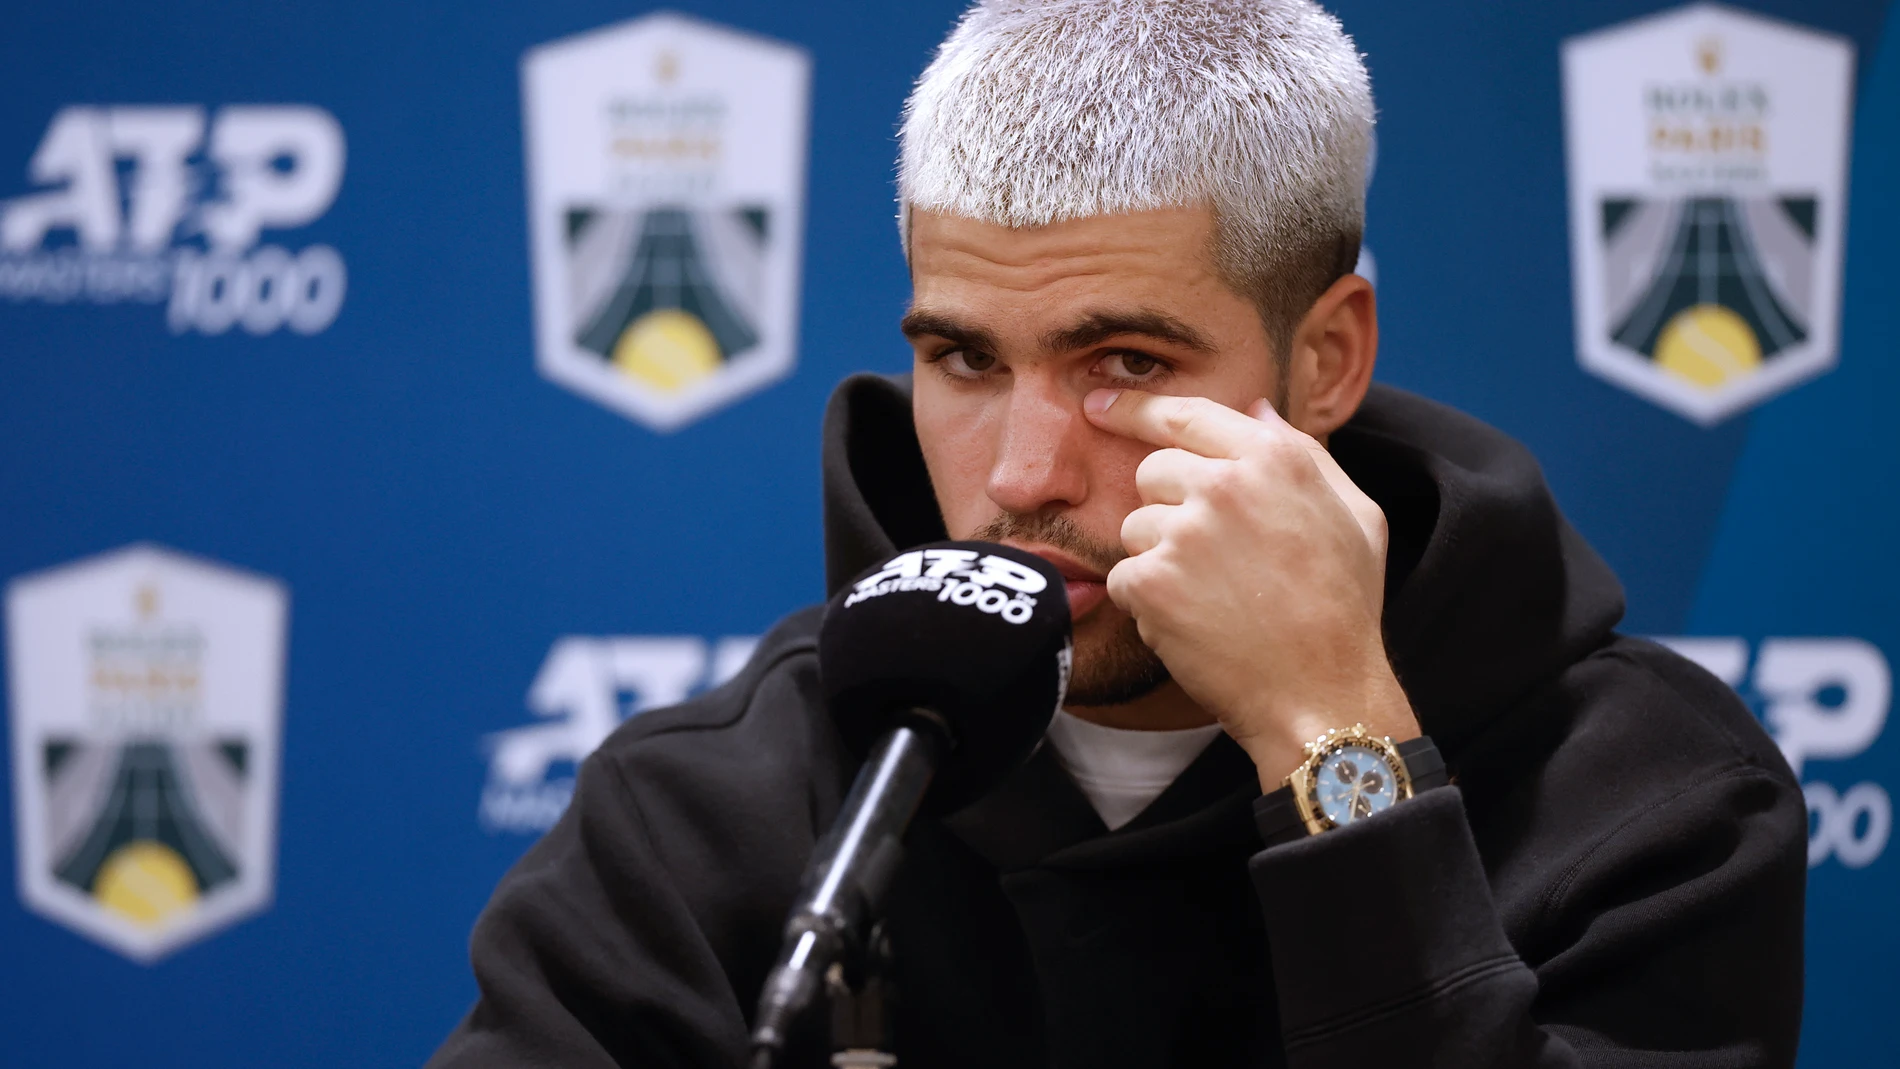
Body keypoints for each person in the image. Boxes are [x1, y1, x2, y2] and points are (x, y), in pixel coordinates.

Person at [428, 1, 1806, 1065]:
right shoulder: (717, 810)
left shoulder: (1649, 800)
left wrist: (1339, 748)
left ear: (1326, 359)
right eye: (964, 361)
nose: (1023, 474)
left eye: (1128, 363)